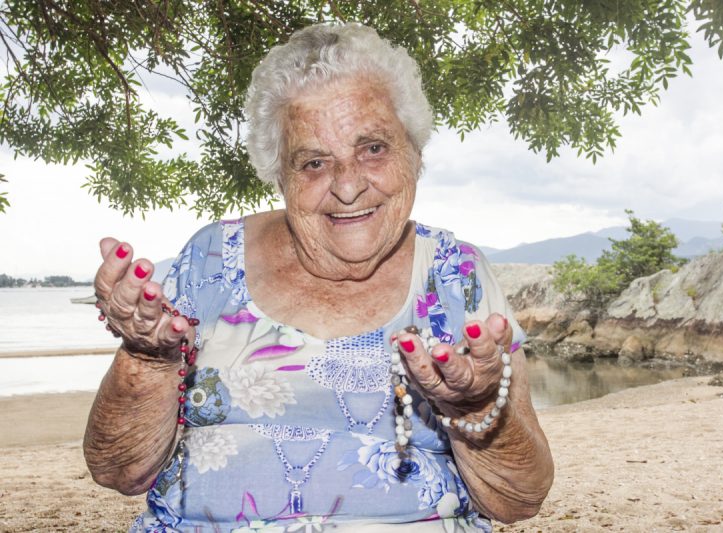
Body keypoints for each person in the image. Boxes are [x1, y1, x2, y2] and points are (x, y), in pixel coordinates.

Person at [84, 22, 553, 533]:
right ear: (278, 174)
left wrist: (476, 405)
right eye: (313, 162)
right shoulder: (208, 260)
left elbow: (518, 501)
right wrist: (148, 360)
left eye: (372, 148)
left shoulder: (457, 276)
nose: (348, 186)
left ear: (414, 155)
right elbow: (119, 470)